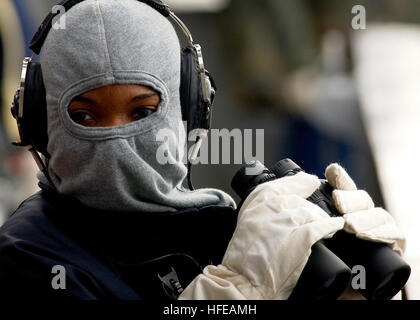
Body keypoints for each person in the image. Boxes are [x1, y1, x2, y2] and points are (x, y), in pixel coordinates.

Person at [0, 0, 405, 300]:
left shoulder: (221, 229)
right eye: (85, 117)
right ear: (41, 123)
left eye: (143, 111)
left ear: (190, 111)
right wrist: (243, 288)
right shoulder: (26, 260)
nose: (117, 142)